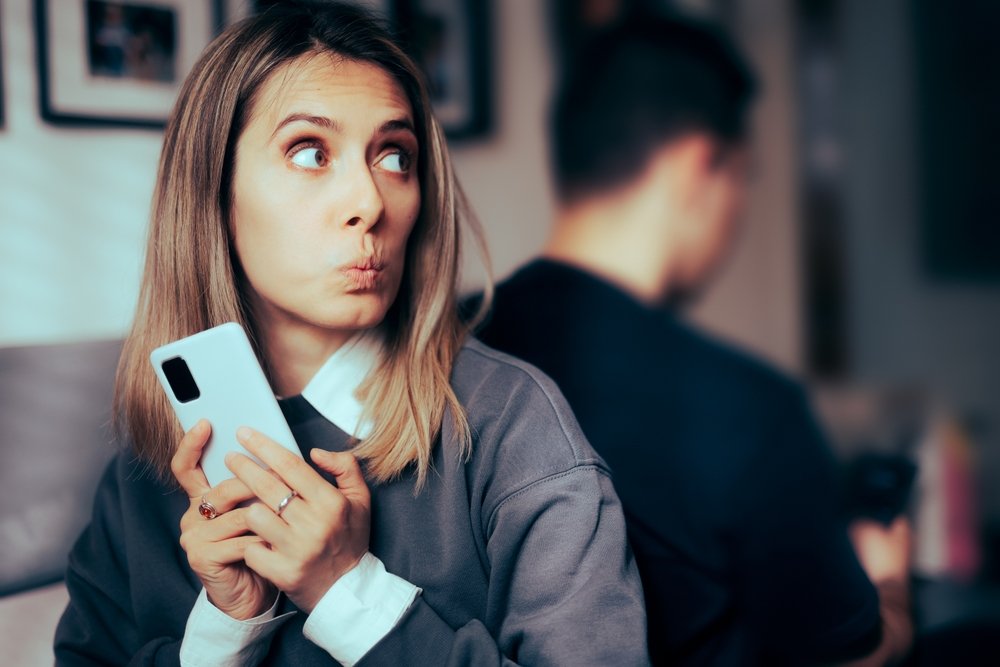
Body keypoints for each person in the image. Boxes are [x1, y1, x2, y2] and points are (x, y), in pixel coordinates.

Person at [54, 3, 649, 665]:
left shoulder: (515, 427)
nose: (369, 201)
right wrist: (224, 630)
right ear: (213, 192)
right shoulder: (148, 467)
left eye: (395, 156)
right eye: (310, 152)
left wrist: (347, 594)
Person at [474, 12, 913, 666]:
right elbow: (852, 656)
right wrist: (890, 583)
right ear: (701, 164)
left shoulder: (452, 340)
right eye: (743, 175)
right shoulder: (747, 410)